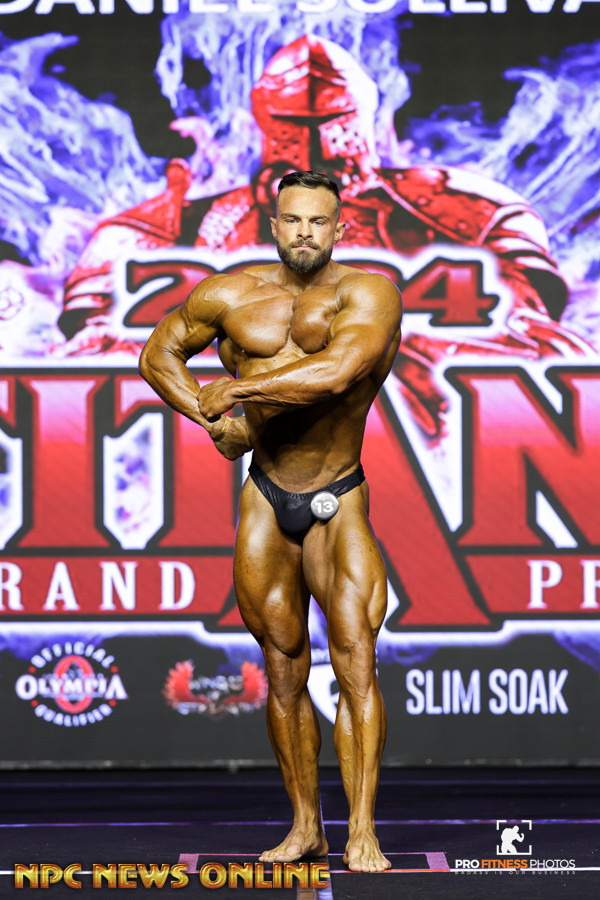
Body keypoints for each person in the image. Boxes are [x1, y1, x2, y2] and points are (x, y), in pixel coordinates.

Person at [139, 169, 402, 873]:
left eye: (319, 221)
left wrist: (239, 392)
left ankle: (363, 831)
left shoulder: (368, 293)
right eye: (294, 220)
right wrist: (210, 418)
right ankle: (306, 826)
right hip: (265, 495)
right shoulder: (230, 294)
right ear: (275, 223)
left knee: (355, 663)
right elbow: (157, 353)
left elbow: (338, 371)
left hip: (338, 496)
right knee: (282, 668)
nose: (305, 232)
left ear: (339, 227)